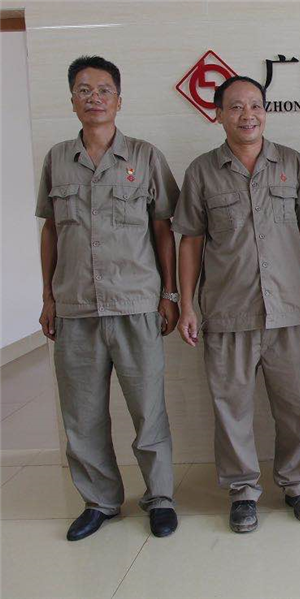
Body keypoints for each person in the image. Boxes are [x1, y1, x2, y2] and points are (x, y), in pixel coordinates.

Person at [36, 55, 180, 541]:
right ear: (72, 100)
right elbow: (51, 231)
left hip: (136, 303)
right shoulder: (58, 158)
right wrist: (48, 297)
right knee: (82, 414)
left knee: (148, 409)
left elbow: (163, 230)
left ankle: (160, 498)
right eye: (84, 90)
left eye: (103, 90)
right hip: (75, 306)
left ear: (119, 100)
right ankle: (99, 501)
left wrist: (169, 293)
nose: (94, 98)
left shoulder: (145, 156)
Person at [173, 76, 300, 532]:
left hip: (288, 309)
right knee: (231, 408)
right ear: (219, 114)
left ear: (265, 111)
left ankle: (297, 484)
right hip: (227, 310)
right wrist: (186, 304)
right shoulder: (202, 171)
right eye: (236, 107)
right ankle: (242, 491)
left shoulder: (292, 164)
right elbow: (190, 241)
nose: (248, 115)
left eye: (256, 105)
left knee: (295, 405)